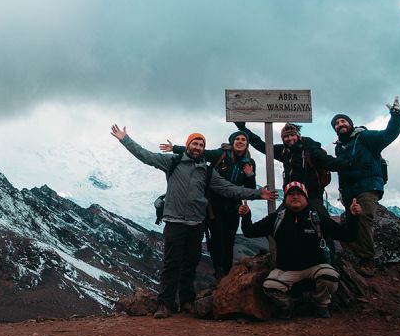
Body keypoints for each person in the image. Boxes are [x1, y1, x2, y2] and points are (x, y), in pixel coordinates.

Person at [111, 125, 275, 318]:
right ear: (188, 145)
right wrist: (125, 139)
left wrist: (257, 193)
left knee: (190, 264)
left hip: (196, 223)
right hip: (174, 222)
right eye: (195, 143)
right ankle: (165, 304)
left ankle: (187, 301)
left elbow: (229, 189)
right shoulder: (173, 161)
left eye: (201, 144)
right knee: (171, 264)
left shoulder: (206, 170)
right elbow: (146, 156)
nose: (197, 147)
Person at [239, 181, 362, 318]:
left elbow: (348, 236)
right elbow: (250, 232)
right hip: (286, 270)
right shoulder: (277, 219)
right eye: (291, 194)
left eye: (299, 194)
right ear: (285, 199)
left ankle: (321, 303)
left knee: (330, 277)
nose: (295, 197)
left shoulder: (317, 219)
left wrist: (353, 217)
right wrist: (246, 216)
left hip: (314, 268)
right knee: (270, 287)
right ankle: (291, 305)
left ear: (306, 198)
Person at [161, 131, 257, 278]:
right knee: (217, 238)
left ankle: (226, 273)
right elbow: (200, 152)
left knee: (229, 240)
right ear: (232, 142)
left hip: (233, 206)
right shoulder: (221, 154)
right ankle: (219, 272)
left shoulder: (250, 163)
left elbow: (249, 189)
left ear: (247, 143)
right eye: (237, 139)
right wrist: (175, 148)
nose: (240, 141)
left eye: (243, 139)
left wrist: (250, 175)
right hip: (214, 206)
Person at [331, 96, 400, 276]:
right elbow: (341, 171)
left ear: (350, 123)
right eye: (336, 123)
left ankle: (367, 259)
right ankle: (355, 253)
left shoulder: (364, 136)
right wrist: (341, 191)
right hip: (349, 190)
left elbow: (389, 134)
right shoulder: (340, 147)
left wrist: (397, 115)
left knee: (363, 216)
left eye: (343, 121)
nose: (340, 124)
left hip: (368, 185)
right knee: (351, 222)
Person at [233, 121, 353, 215]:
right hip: (291, 195)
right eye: (286, 136)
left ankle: (327, 246)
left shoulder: (310, 148)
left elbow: (328, 162)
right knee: (276, 222)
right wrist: (243, 129)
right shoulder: (284, 151)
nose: (289, 138)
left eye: (292, 135)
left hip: (312, 196)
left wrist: (350, 164)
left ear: (298, 136)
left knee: (323, 224)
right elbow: (262, 146)